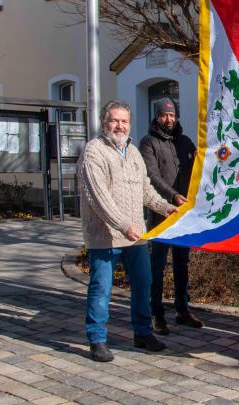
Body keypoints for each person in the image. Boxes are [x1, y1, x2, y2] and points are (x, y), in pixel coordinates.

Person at [77, 100, 177, 362]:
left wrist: (166, 208)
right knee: (101, 289)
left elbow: (145, 189)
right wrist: (122, 225)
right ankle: (97, 339)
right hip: (105, 235)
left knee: (143, 285)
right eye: (114, 120)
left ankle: (142, 333)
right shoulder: (93, 153)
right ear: (104, 122)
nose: (119, 126)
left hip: (136, 236)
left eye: (124, 121)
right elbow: (98, 198)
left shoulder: (132, 152)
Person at [139, 98, 202, 334]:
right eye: (164, 115)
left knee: (181, 264)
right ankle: (156, 313)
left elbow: (198, 167)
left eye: (172, 115)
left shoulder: (184, 142)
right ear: (157, 117)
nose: (169, 119)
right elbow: (152, 175)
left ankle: (182, 309)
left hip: (184, 214)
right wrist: (172, 195)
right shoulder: (149, 143)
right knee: (157, 265)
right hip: (160, 213)